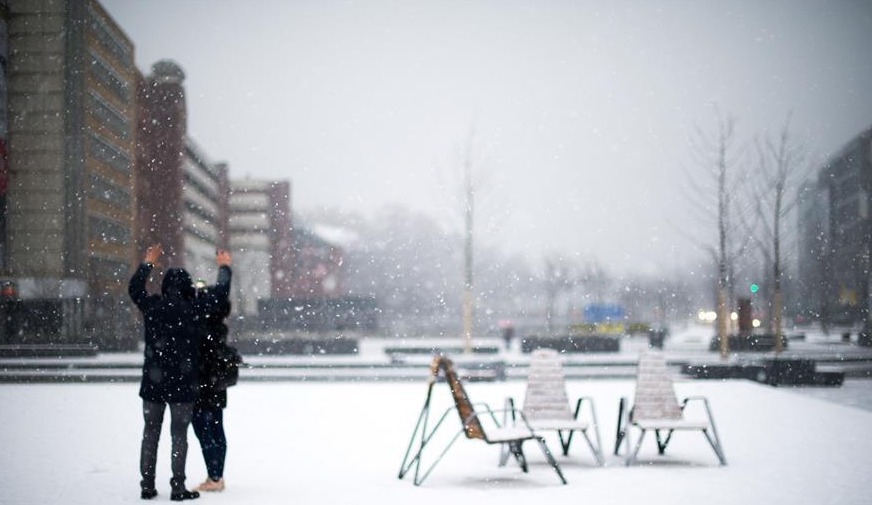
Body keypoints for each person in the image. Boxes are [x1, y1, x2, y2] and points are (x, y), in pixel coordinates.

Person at [129, 245, 231, 501]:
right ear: (187, 288)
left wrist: (147, 263)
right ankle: (177, 487)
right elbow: (220, 295)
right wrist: (224, 268)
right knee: (179, 436)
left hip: (153, 382)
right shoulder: (194, 309)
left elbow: (135, 290)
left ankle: (147, 485)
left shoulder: (153, 306)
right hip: (183, 385)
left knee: (150, 433)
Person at [192, 250, 233, 493]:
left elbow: (219, 292)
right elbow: (222, 291)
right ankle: (217, 474)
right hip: (217, 379)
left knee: (202, 427)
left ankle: (214, 477)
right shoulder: (218, 322)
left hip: (200, 379)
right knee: (217, 427)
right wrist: (224, 267)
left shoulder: (196, 318)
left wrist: (224, 269)